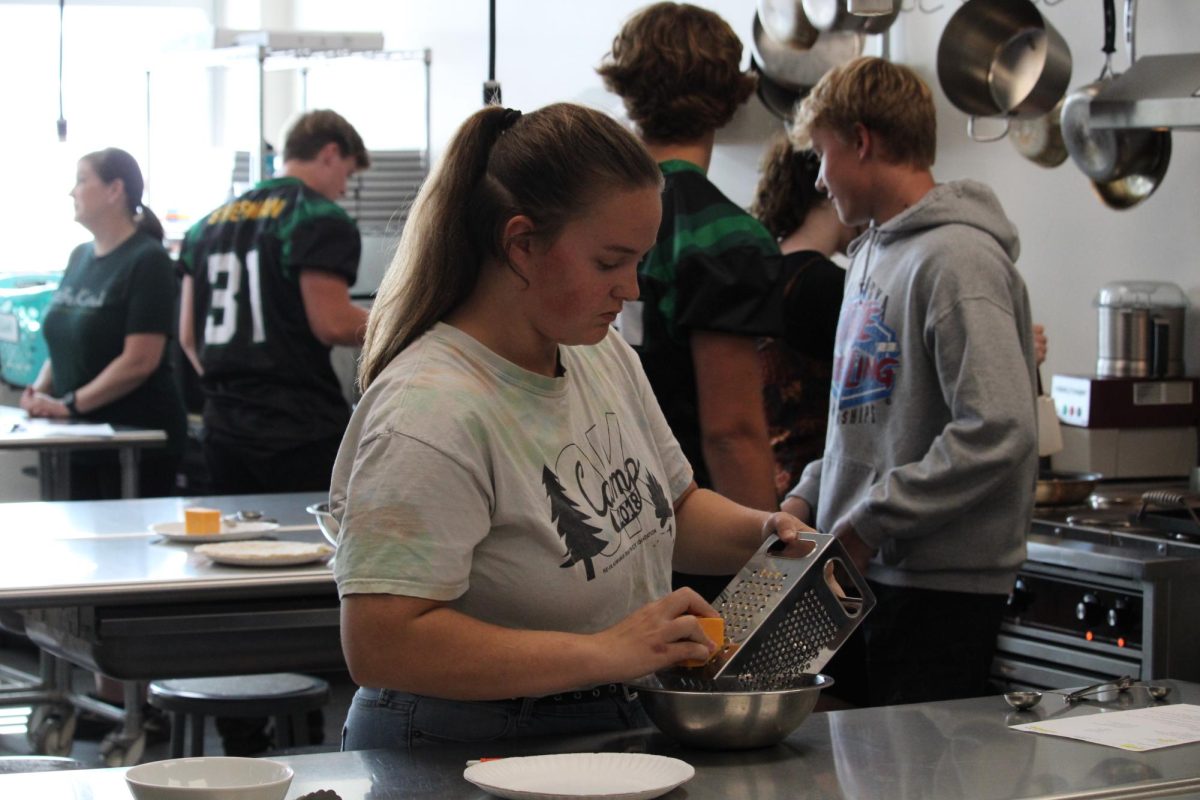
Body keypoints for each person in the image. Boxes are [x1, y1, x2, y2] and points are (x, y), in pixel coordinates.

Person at [330, 102, 808, 751]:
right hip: (464, 737)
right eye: (610, 263)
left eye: (638, 260)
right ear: (522, 244)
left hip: (608, 710)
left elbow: (669, 510)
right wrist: (608, 651)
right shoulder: (430, 410)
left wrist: (764, 533)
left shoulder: (597, 352)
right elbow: (384, 642)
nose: (632, 289)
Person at [781, 57, 1038, 707]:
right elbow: (862, 418)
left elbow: (998, 428)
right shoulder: (870, 254)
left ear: (862, 141)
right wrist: (809, 496)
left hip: (936, 588)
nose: (819, 176)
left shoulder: (958, 259)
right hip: (866, 569)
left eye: (823, 154)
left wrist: (869, 520)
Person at [598, 2, 785, 601]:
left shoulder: (581, 217)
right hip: (691, 534)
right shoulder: (720, 235)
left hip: (593, 519)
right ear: (730, 98)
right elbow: (730, 432)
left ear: (626, 92)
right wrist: (769, 574)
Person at [178, 109, 370, 495]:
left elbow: (188, 337)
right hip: (298, 428)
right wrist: (410, 322)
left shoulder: (205, 227)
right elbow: (331, 322)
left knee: (235, 546)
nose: (344, 190)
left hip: (223, 426)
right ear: (330, 152)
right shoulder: (315, 217)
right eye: (347, 175)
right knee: (306, 548)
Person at [21, 147, 186, 499]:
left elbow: (140, 360)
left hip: (136, 438)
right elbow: (63, 340)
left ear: (115, 190)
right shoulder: (79, 255)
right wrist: (40, 393)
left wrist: (70, 404)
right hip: (78, 435)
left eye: (82, 181)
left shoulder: (148, 260)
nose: (72, 192)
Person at [750, 132, 859, 500]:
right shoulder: (828, 287)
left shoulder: (753, 272)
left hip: (760, 483)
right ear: (826, 185)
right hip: (816, 495)